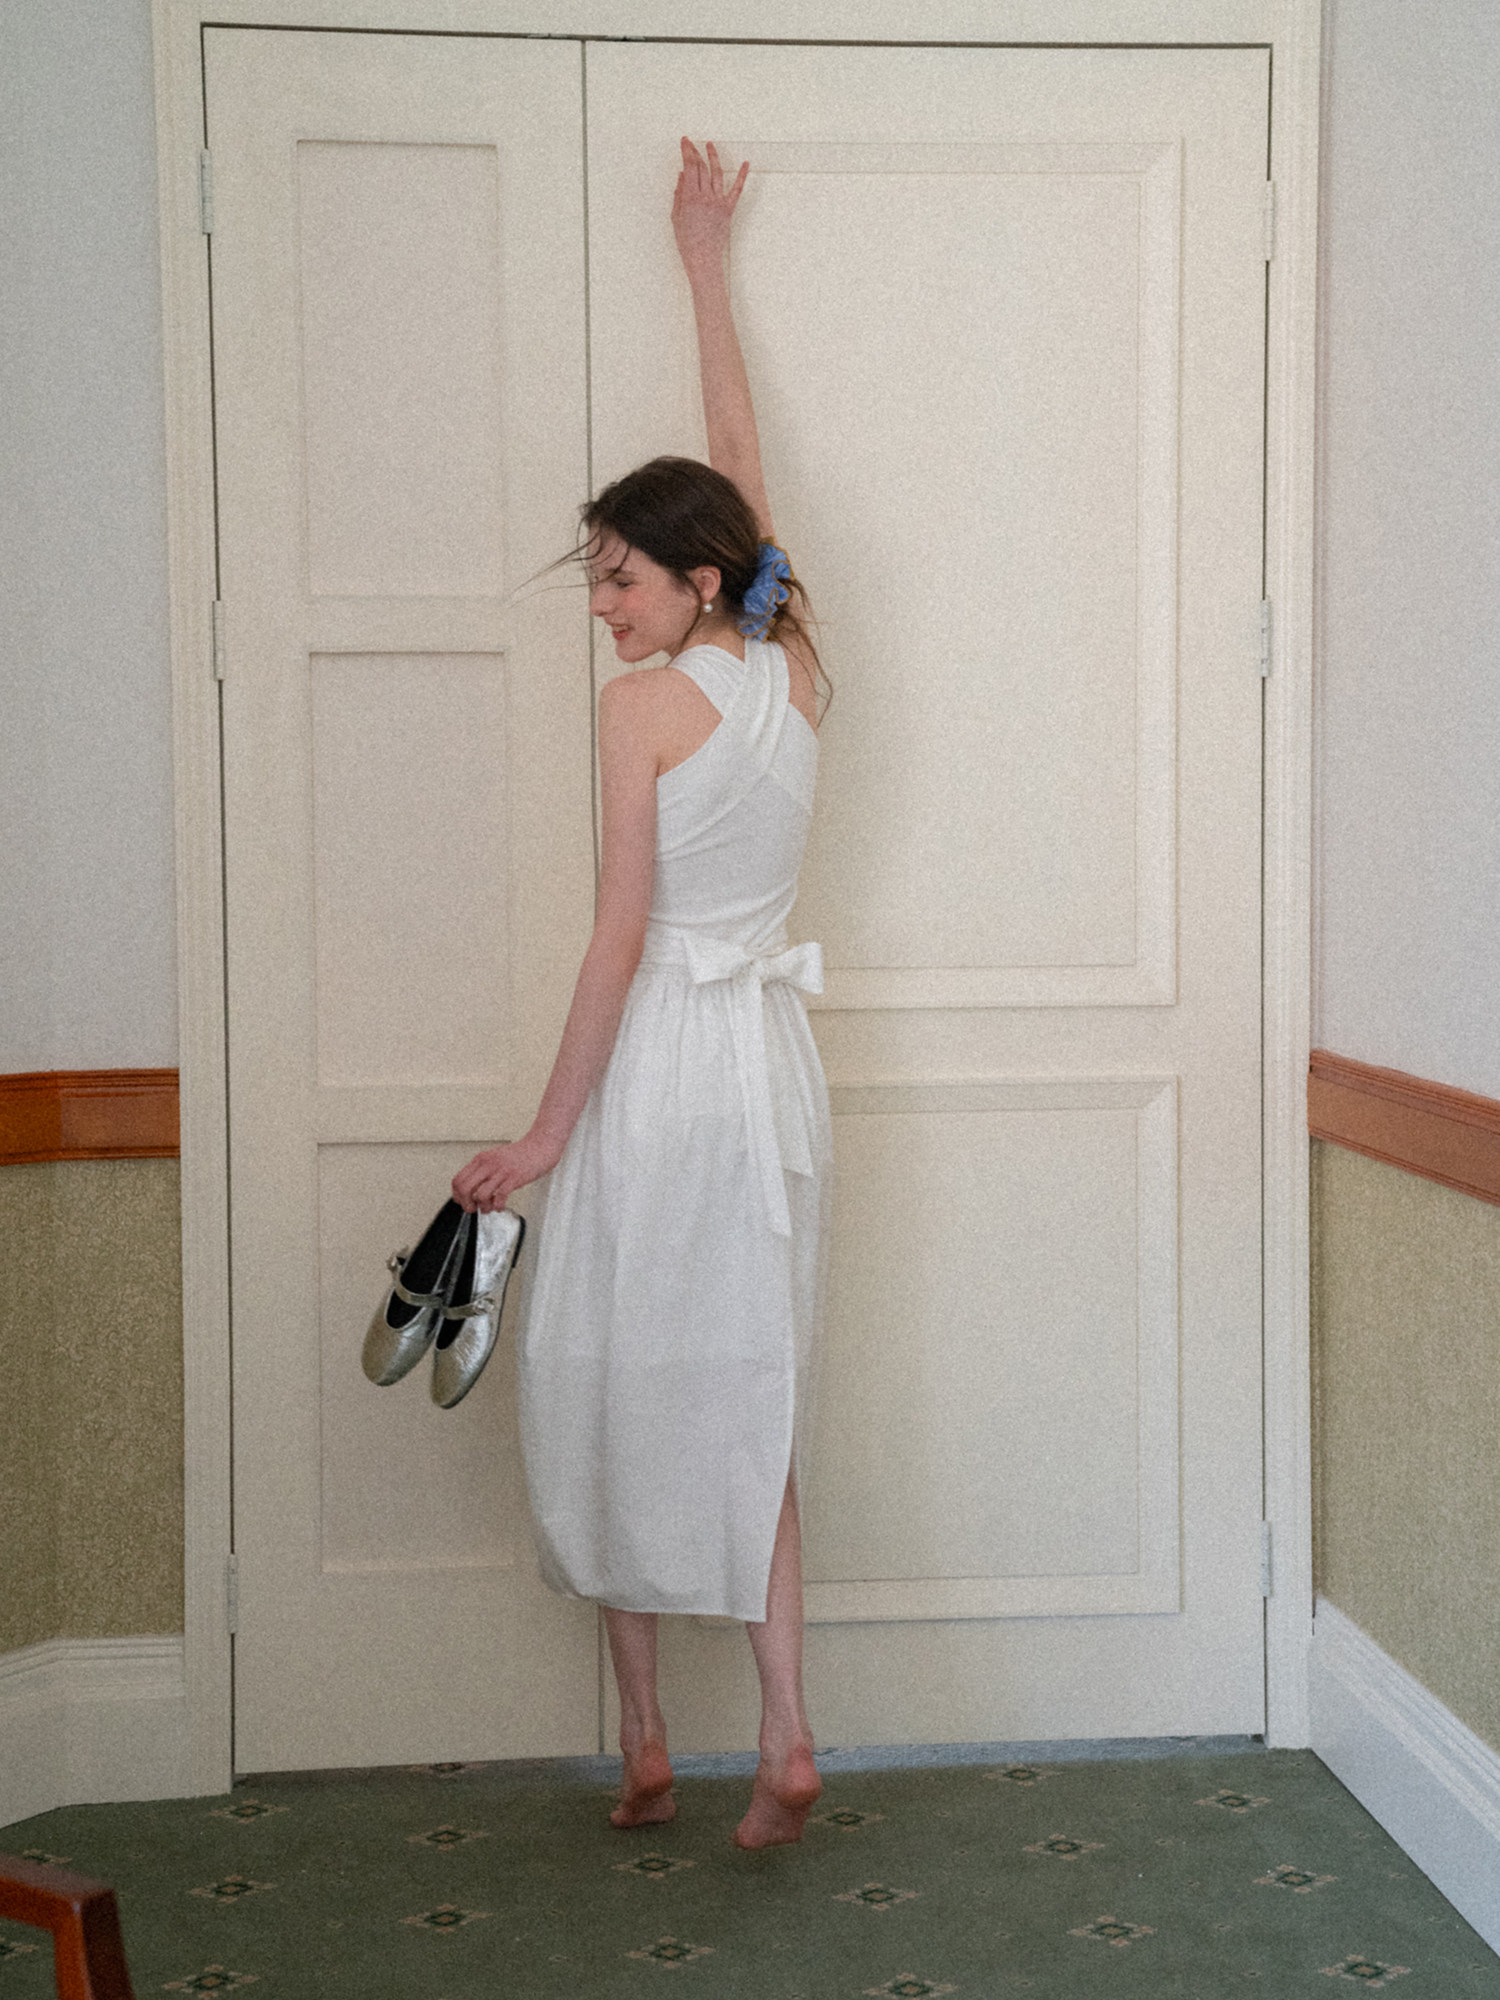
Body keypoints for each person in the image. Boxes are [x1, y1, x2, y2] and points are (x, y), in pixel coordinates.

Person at [453, 138, 832, 1852]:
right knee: (749, 1396)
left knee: (612, 1375)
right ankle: (783, 1736)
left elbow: (618, 939)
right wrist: (704, 265)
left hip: (669, 1062)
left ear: (692, 580)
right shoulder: (789, 666)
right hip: (771, 1060)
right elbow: (743, 479)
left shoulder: (641, 712)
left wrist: (542, 1138)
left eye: (618, 575)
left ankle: (651, 1740)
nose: (600, 605)